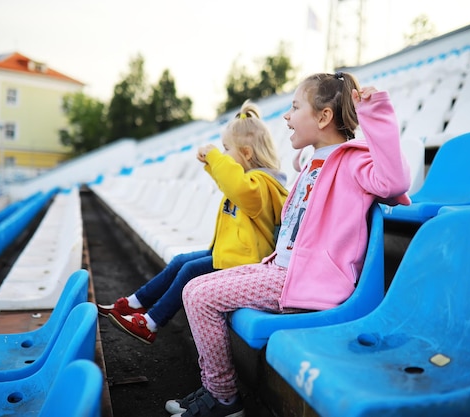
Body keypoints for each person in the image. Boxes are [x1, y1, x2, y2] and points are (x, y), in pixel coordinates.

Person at [167, 72, 412, 417]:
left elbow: (394, 180)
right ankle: (214, 390)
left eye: (295, 107)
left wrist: (375, 113)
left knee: (198, 296)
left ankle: (222, 397)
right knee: (193, 288)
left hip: (307, 280)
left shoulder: (354, 162)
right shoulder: (313, 161)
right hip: (282, 269)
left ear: (324, 117)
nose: (286, 115)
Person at [98, 100, 289, 345]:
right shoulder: (249, 181)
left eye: (226, 149)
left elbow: (237, 188)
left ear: (247, 154)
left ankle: (151, 323)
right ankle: (134, 304)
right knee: (180, 261)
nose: (223, 155)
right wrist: (214, 165)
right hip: (229, 255)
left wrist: (214, 159)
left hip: (244, 263)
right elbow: (230, 183)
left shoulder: (261, 184)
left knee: (189, 270)